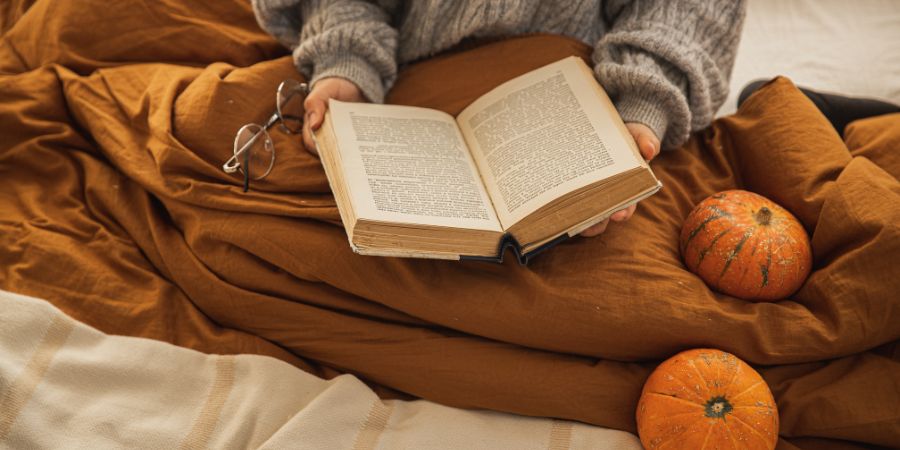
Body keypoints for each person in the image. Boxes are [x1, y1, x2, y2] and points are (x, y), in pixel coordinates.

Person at [252, 0, 746, 236]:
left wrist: (638, 110)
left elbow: (681, 13)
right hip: (401, 78)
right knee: (271, 227)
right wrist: (347, 62)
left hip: (583, 96)